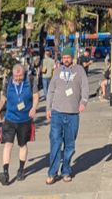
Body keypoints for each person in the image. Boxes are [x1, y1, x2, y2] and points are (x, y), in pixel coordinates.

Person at [46, 47, 88, 185]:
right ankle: (52, 173)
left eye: (68, 57)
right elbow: (51, 90)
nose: (66, 59)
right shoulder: (57, 71)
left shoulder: (79, 70)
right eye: (64, 57)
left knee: (70, 144)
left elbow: (85, 87)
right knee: (55, 143)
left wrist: (83, 102)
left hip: (72, 114)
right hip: (57, 113)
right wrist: (48, 108)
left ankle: (66, 171)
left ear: (72, 58)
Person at [0, 63, 39, 186]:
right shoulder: (8, 82)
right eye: (16, 76)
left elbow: (36, 96)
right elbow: (3, 98)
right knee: (7, 144)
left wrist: (34, 108)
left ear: (24, 74)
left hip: (25, 120)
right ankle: (5, 171)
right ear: (13, 74)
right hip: (10, 119)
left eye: (20, 76)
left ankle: (21, 170)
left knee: (22, 145)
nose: (18, 78)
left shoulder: (30, 80)